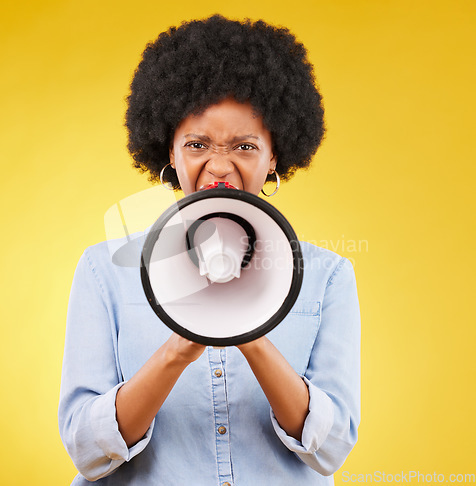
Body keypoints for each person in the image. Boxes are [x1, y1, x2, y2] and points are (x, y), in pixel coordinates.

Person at [59, 15, 360, 486]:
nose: (219, 166)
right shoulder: (105, 269)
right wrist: (180, 347)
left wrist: (246, 326)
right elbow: (85, 450)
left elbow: (333, 448)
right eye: (197, 144)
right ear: (169, 152)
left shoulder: (328, 275)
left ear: (274, 155)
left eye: (244, 146)